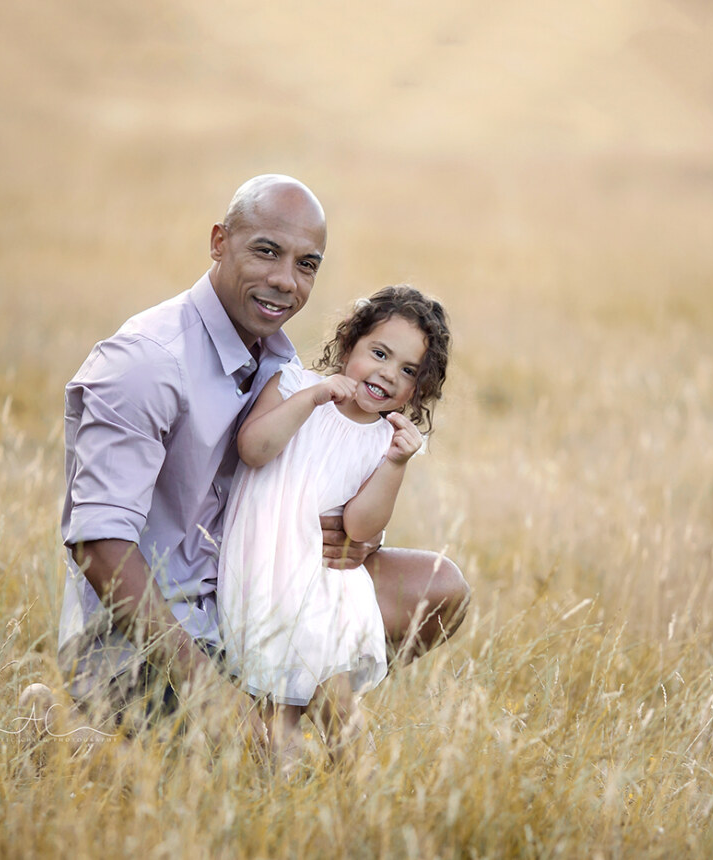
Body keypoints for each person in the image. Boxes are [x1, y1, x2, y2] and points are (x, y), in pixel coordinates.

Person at [50, 175, 469, 744]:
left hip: (258, 599)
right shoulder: (146, 363)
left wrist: (354, 540)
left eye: (306, 264)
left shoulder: (279, 362)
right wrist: (208, 692)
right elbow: (98, 544)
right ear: (219, 242)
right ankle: (62, 729)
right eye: (266, 251)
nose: (285, 281)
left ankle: (278, 714)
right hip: (156, 634)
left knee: (439, 587)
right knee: (239, 770)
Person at [219, 285, 450, 760]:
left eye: (408, 371)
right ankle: (285, 768)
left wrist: (395, 464)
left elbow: (361, 529)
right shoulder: (293, 385)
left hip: (322, 586)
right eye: (379, 353)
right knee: (274, 713)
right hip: (261, 571)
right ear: (349, 345)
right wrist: (312, 398)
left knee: (335, 700)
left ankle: (360, 786)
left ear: (418, 389)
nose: (388, 374)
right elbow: (254, 449)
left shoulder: (382, 440)